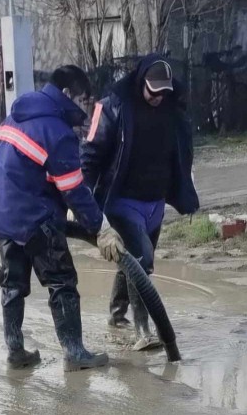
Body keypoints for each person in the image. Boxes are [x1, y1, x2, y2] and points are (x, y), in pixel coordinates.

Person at [0, 65, 124, 371]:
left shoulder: (16, 115)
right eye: (83, 99)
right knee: (61, 281)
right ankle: (75, 353)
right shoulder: (57, 131)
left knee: (13, 283)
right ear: (66, 95)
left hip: (1, 214)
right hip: (35, 218)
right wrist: (102, 228)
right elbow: (74, 190)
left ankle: (16, 351)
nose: (86, 107)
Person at [81, 55, 200, 351]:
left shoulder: (173, 108)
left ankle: (116, 314)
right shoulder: (113, 106)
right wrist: (82, 196)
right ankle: (143, 331)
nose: (158, 97)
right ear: (140, 81)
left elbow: (182, 149)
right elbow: (90, 153)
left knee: (132, 261)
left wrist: (184, 185)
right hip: (121, 200)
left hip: (155, 201)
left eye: (164, 91)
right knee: (142, 261)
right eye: (152, 90)